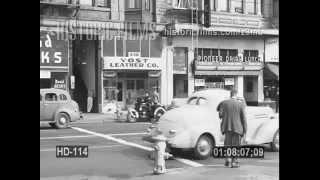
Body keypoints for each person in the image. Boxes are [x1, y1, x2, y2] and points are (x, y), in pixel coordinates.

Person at [217, 89, 247, 168]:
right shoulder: (240, 104)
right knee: (236, 145)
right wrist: (245, 131)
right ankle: (234, 162)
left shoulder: (224, 103)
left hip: (227, 128)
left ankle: (228, 160)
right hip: (238, 128)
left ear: (230, 94)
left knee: (227, 145)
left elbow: (220, 115)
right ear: (236, 94)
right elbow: (243, 119)